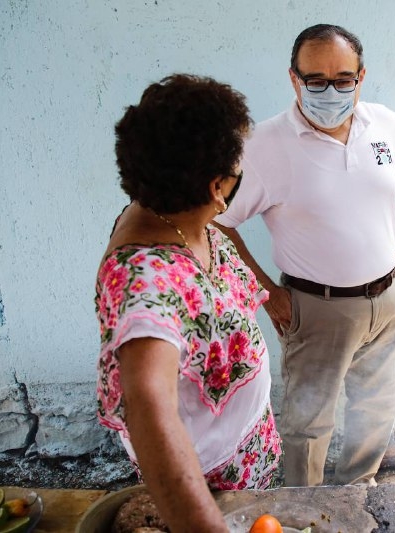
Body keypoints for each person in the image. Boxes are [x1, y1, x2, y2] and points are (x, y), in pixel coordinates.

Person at [215, 23, 395, 487]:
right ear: (294, 79)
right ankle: (304, 508)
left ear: (361, 76)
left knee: (375, 411)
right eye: (315, 80)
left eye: (343, 79)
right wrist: (262, 291)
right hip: (316, 308)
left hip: (387, 300)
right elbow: (217, 222)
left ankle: (358, 495)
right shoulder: (265, 147)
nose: (329, 90)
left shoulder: (384, 124)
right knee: (309, 425)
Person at [95, 74, 281, 531]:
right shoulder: (148, 283)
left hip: (245, 442)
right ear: (217, 186)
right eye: (240, 163)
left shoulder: (168, 208)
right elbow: (148, 405)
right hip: (207, 471)